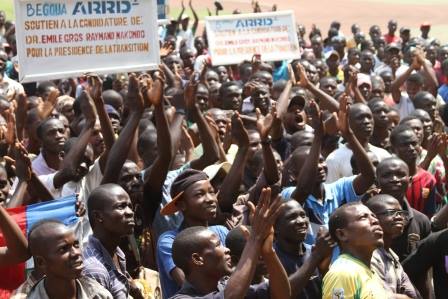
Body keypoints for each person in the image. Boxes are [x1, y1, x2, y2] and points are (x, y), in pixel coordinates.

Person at [281, 97, 375, 243]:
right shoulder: (288, 194)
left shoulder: (339, 189)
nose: (319, 166)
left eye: (320, 161)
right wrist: (318, 136)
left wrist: (349, 134)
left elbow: (369, 176)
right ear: (294, 174)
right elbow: (304, 189)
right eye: (310, 164)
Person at [170, 188, 290, 299]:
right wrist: (255, 240)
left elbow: (281, 295)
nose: (227, 250)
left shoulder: (226, 285)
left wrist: (268, 252)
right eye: (218, 245)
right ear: (197, 259)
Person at [156, 169, 229, 298]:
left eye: (212, 192)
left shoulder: (221, 231)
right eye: (199, 194)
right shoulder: (170, 241)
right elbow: (188, 282)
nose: (210, 199)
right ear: (182, 204)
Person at [82, 184, 144, 299]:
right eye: (121, 207)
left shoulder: (117, 254)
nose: (130, 212)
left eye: (130, 206)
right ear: (98, 216)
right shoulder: (94, 269)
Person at [27, 220, 112, 298]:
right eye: (63, 249)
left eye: (76, 245)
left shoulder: (98, 295)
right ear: (41, 262)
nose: (76, 253)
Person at [322, 202, 387, 299]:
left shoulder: (367, 271)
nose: (375, 221)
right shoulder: (342, 273)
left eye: (374, 216)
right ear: (342, 234)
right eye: (363, 217)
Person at [375, 157, 431, 261]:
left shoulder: (421, 221)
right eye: (387, 175)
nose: (394, 179)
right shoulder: (367, 216)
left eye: (400, 175)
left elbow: (427, 260)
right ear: (377, 182)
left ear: (410, 181)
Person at [365, 195, 420, 298]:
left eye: (401, 213)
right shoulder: (371, 256)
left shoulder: (392, 255)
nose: (399, 217)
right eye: (390, 212)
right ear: (373, 219)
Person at [390, 124, 437, 217]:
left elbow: (430, 214)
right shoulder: (388, 178)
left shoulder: (428, 179)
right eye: (405, 145)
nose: (411, 148)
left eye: (414, 143)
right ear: (393, 149)